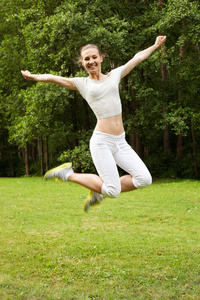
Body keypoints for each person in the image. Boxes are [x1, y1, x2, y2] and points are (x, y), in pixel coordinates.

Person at [21, 35, 166, 212]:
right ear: (82, 63)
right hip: (102, 142)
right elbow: (53, 78)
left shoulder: (114, 75)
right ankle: (67, 174)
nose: (91, 61)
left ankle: (98, 190)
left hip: (120, 142)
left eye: (94, 57)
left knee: (144, 179)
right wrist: (33, 77)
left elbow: (137, 58)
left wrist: (155, 45)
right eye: (86, 59)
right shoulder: (82, 84)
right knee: (113, 191)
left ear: (101, 58)